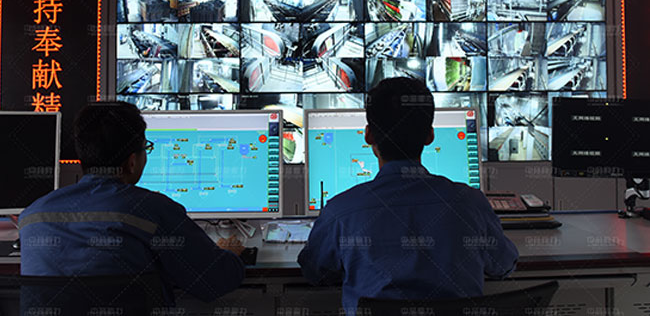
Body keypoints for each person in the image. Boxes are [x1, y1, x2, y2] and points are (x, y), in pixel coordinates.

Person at [297, 77, 518, 314]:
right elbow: (503, 266)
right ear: (430, 136)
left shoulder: (340, 212)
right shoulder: (471, 204)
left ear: (368, 136)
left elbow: (315, 273)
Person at [19, 102, 245, 303]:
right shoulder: (152, 210)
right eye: (146, 148)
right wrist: (229, 254)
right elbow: (214, 281)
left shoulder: (32, 216)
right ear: (132, 162)